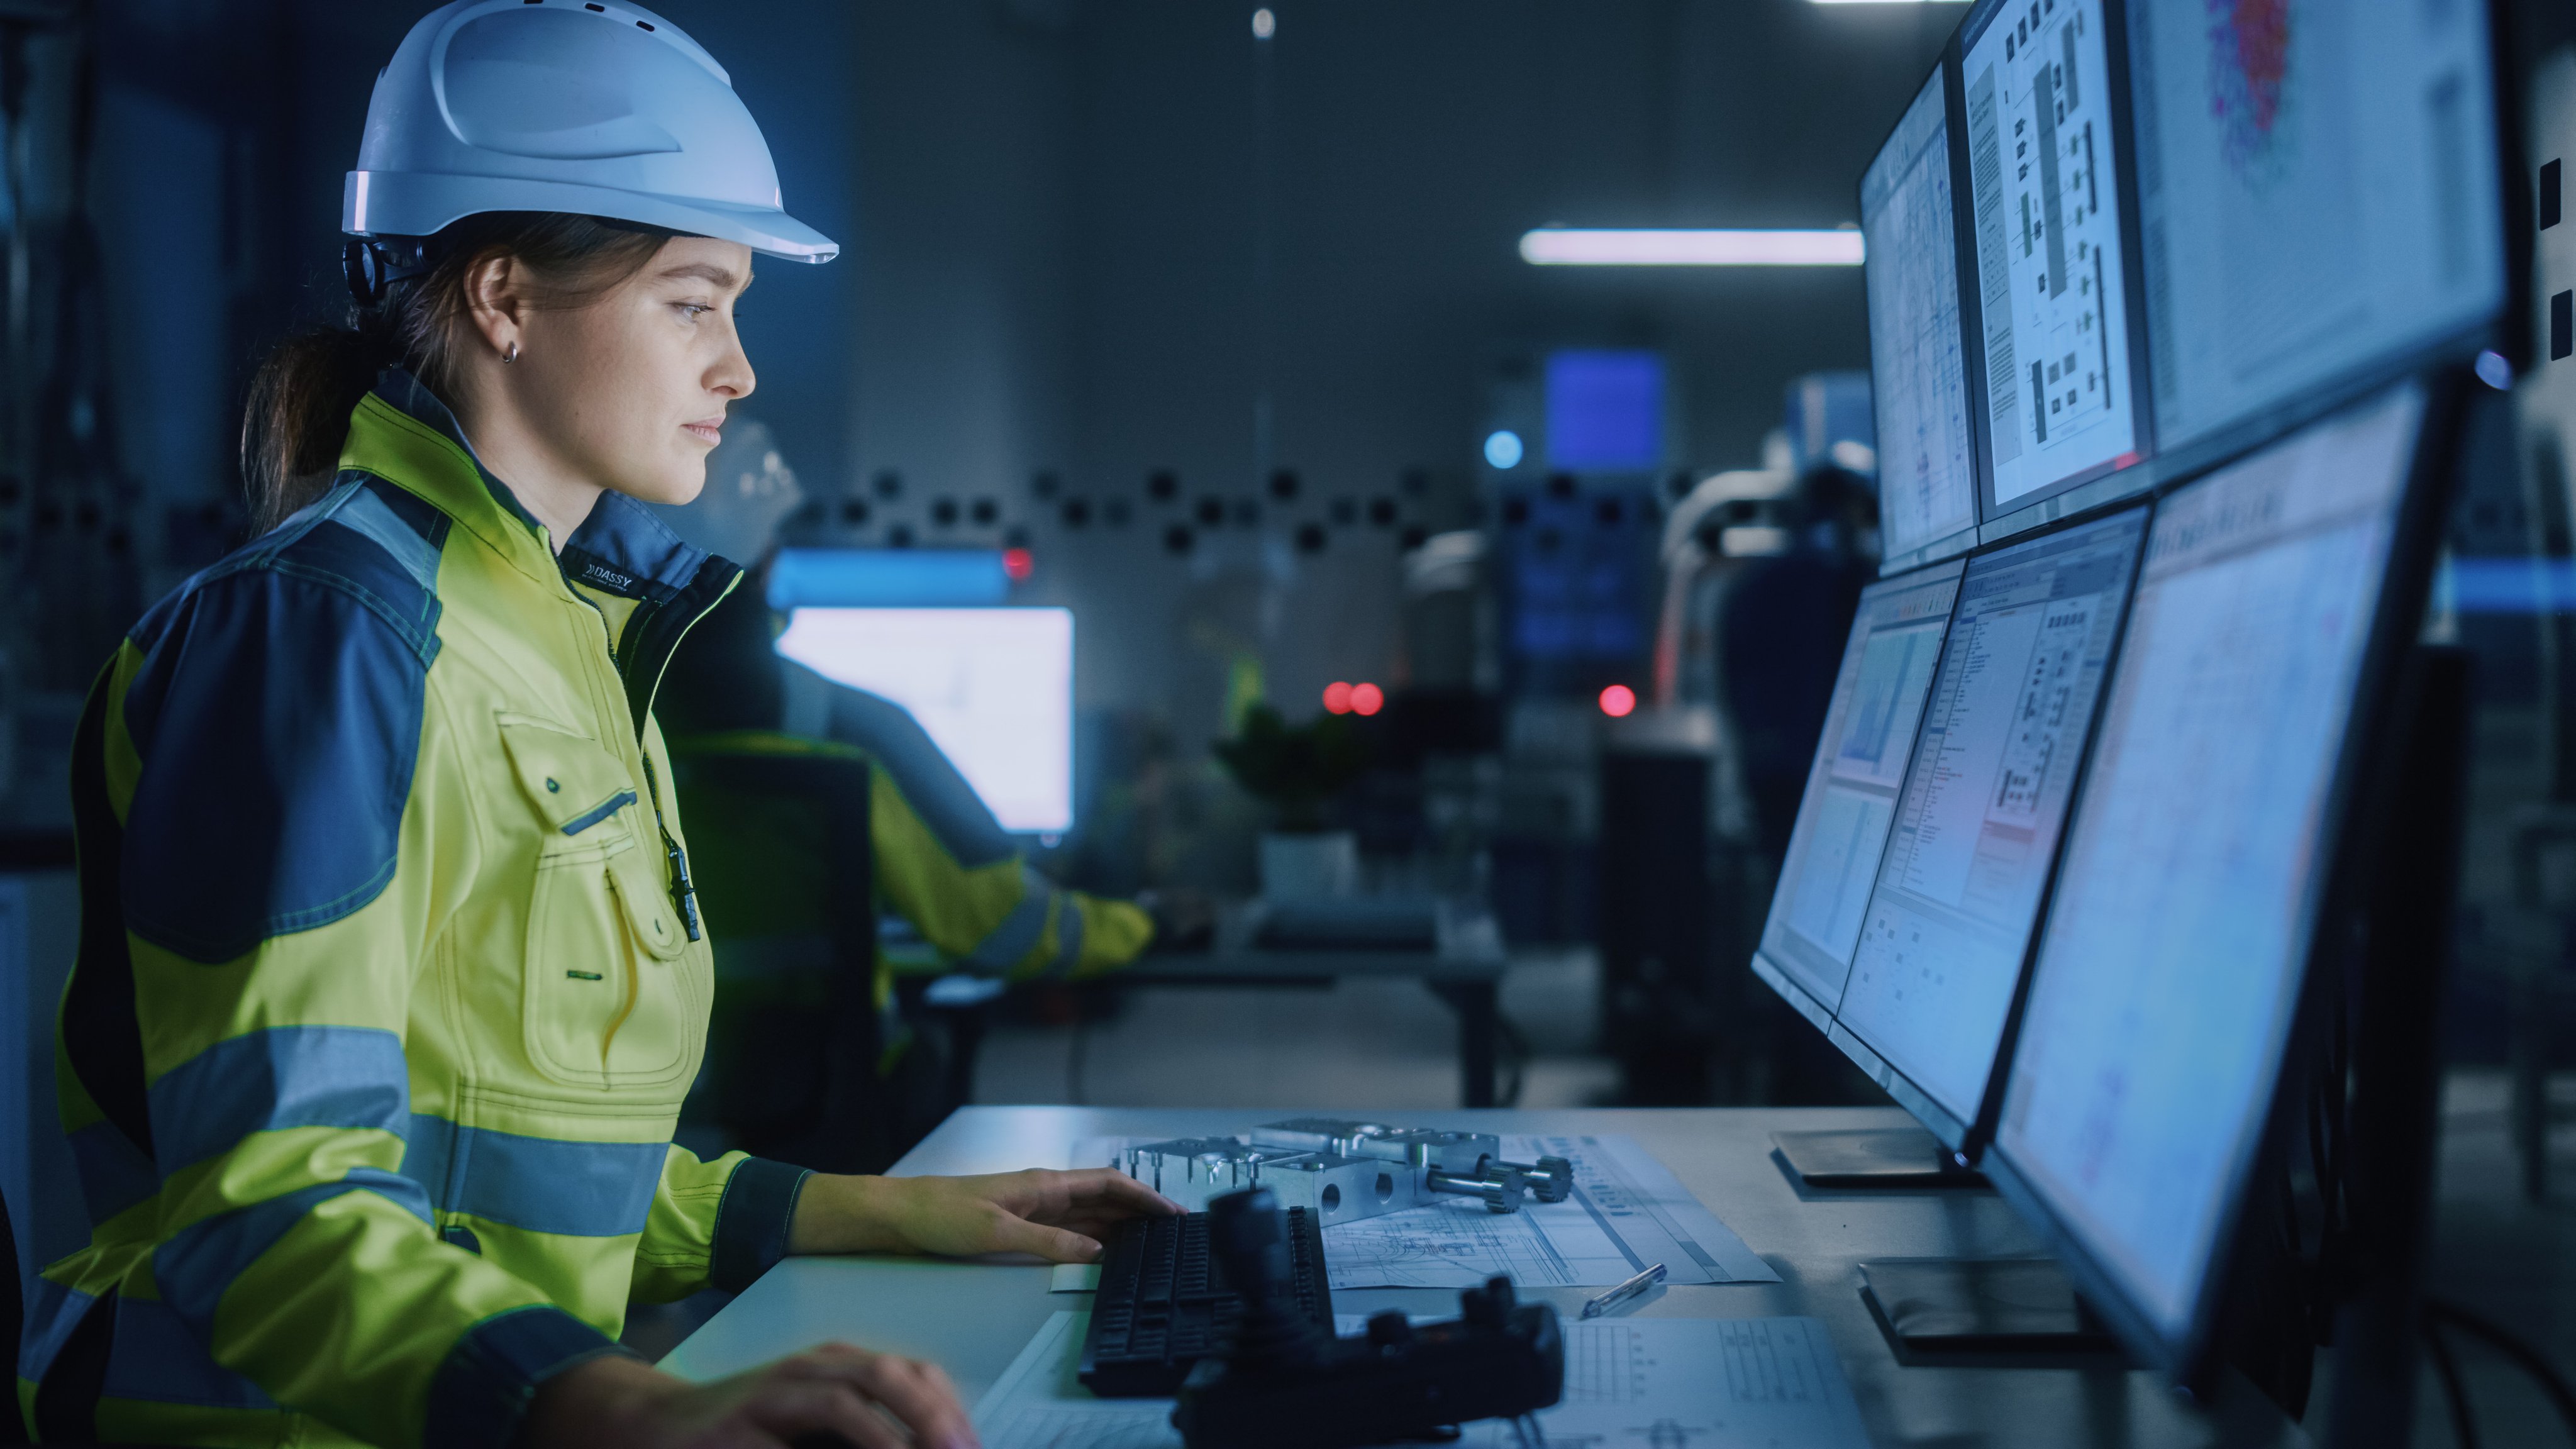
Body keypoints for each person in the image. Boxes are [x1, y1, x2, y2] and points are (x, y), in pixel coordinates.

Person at [22, 5, 1173, 1446]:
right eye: (693, 302)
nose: (739, 368)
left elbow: (528, 1170)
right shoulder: (326, 639)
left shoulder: (562, 639)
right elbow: (272, 1205)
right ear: (504, 298)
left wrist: (887, 1209)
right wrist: (621, 1406)